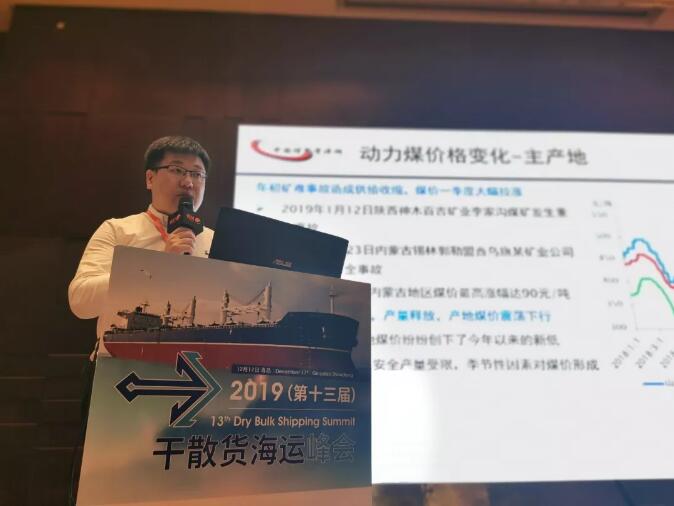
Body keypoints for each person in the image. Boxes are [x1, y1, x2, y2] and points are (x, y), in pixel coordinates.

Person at [68, 135, 214, 351]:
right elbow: (81, 302)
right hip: (121, 365)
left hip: (197, 364)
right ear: (150, 178)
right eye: (176, 170)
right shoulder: (117, 230)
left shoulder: (215, 240)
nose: (188, 182)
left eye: (197, 174)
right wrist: (157, 265)